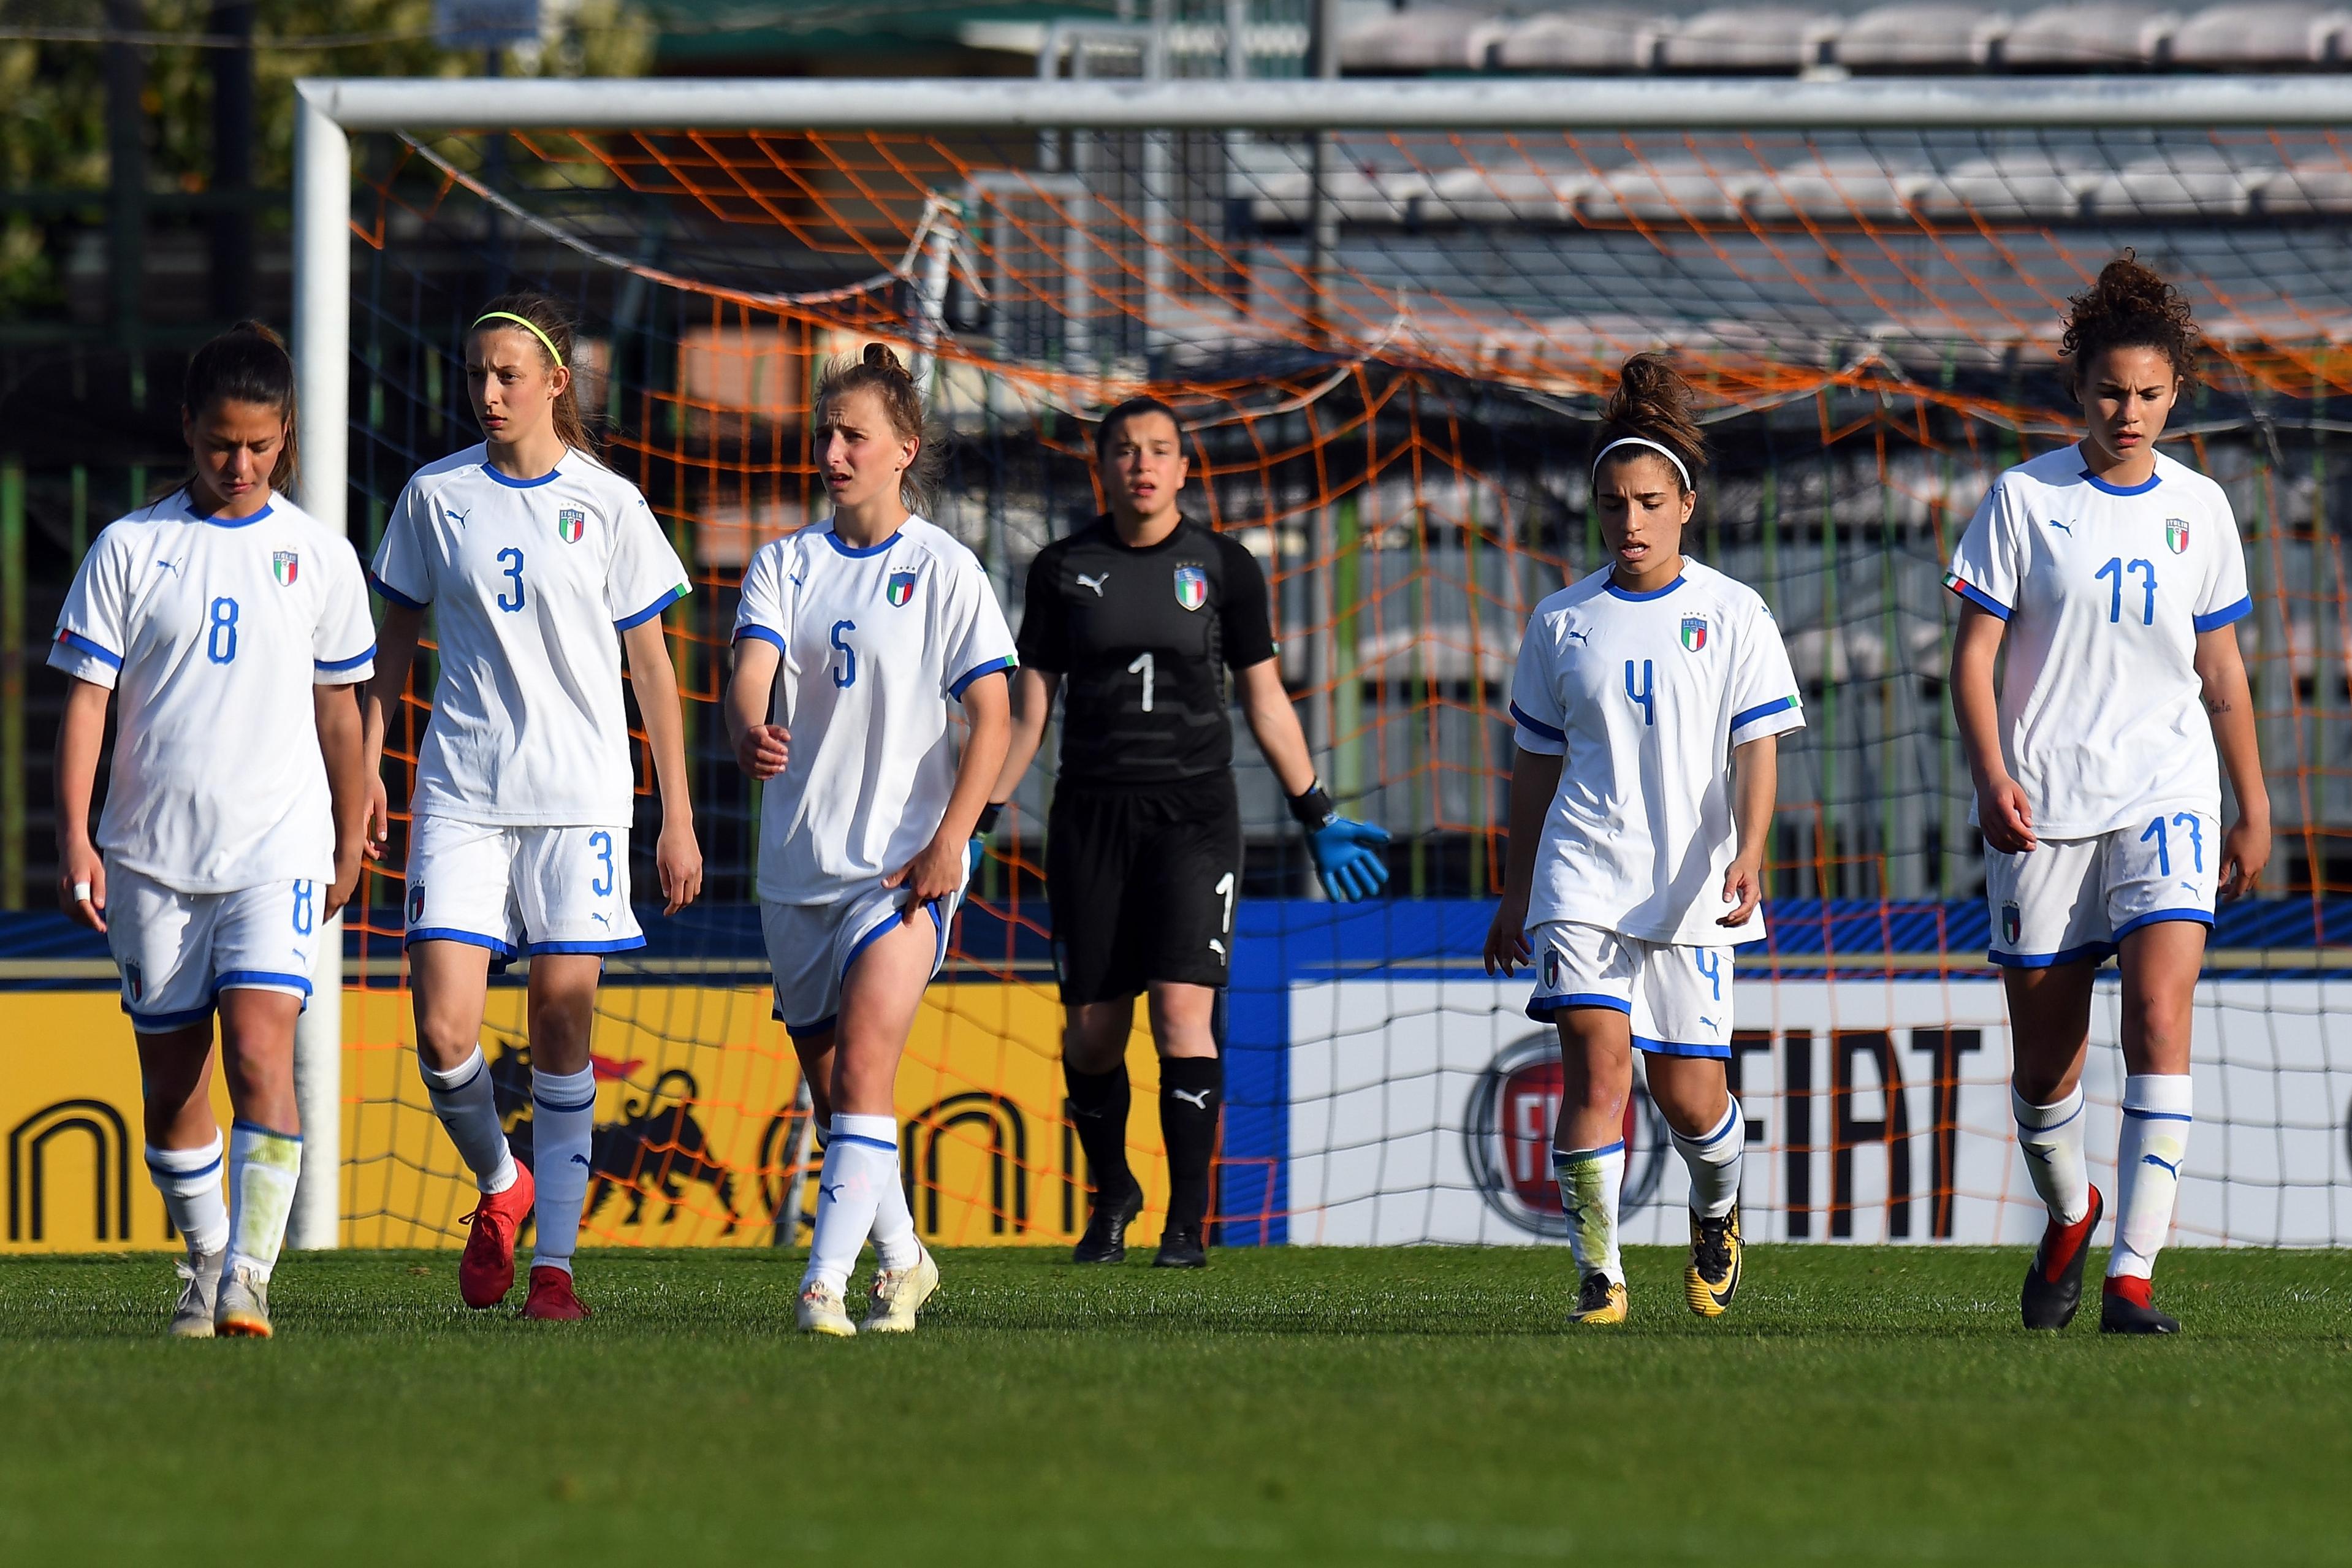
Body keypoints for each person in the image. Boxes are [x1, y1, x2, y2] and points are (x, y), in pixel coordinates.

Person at [983, 395, 1390, 1271]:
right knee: (1091, 1029)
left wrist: (1314, 808)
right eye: (1125, 450)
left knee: (1180, 1015)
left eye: (1159, 449)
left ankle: (1186, 1222)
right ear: (1102, 466)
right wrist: (979, 815)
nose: (1141, 463)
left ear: (1182, 466)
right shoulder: (1060, 567)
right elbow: (1028, 714)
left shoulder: (1225, 565)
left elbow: (1265, 696)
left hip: (1194, 816)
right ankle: (1112, 1191)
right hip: (1089, 814)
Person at [360, 291, 702, 1322]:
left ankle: (553, 1267)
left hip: (582, 802)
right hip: (462, 792)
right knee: (442, 1027)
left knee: (561, 1020)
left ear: (557, 383)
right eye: (476, 375)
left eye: (509, 374)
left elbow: (653, 664)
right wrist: (368, 765)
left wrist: (675, 813)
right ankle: (500, 1182)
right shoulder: (434, 495)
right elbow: (393, 647)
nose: (489, 392)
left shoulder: (610, 505)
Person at [1945, 255, 2266, 1336]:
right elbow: (1971, 657)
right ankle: (2071, 1208)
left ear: (2177, 392)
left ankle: (2131, 1275)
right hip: (2041, 807)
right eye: (2107, 392)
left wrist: (2250, 801)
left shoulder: (2202, 508)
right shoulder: (2023, 499)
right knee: (2044, 1075)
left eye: (2146, 393)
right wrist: (1992, 776)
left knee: (2162, 1013)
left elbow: (2219, 671)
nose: (2126, 412)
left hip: (2164, 790)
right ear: (2075, 392)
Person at [51, 322, 373, 1339]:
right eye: (221, 444)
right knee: (169, 1083)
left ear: (287, 437)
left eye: (261, 446)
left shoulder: (318, 556)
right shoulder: (130, 549)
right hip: (151, 856)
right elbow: (88, 705)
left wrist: (353, 829)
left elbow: (340, 711)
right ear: (189, 430)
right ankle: (202, 1256)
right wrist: (76, 836)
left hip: (275, 848)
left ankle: (249, 1276)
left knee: (261, 1049)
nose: (240, 465)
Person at [1482, 354, 1803, 1326]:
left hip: (1690, 886)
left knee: (1691, 1100)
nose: (1630, 521)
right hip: (1581, 875)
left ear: (1685, 504)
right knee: (1595, 1066)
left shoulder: (1733, 612)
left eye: (1648, 502)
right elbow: (1534, 768)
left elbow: (1757, 747)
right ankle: (1599, 1272)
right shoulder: (1559, 622)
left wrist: (1747, 852)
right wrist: (1514, 888)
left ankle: (1717, 1208)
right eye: (1614, 503)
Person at [725, 343, 1014, 1336]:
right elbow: (746, 678)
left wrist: (952, 838)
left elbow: (998, 714)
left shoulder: (945, 570)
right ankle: (905, 1257)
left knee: (863, 1072)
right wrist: (745, 725)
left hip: (898, 873)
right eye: (826, 434)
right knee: (838, 1094)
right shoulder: (785, 561)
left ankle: (819, 1288)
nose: (834, 451)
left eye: (854, 435)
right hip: (795, 869)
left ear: (904, 449)